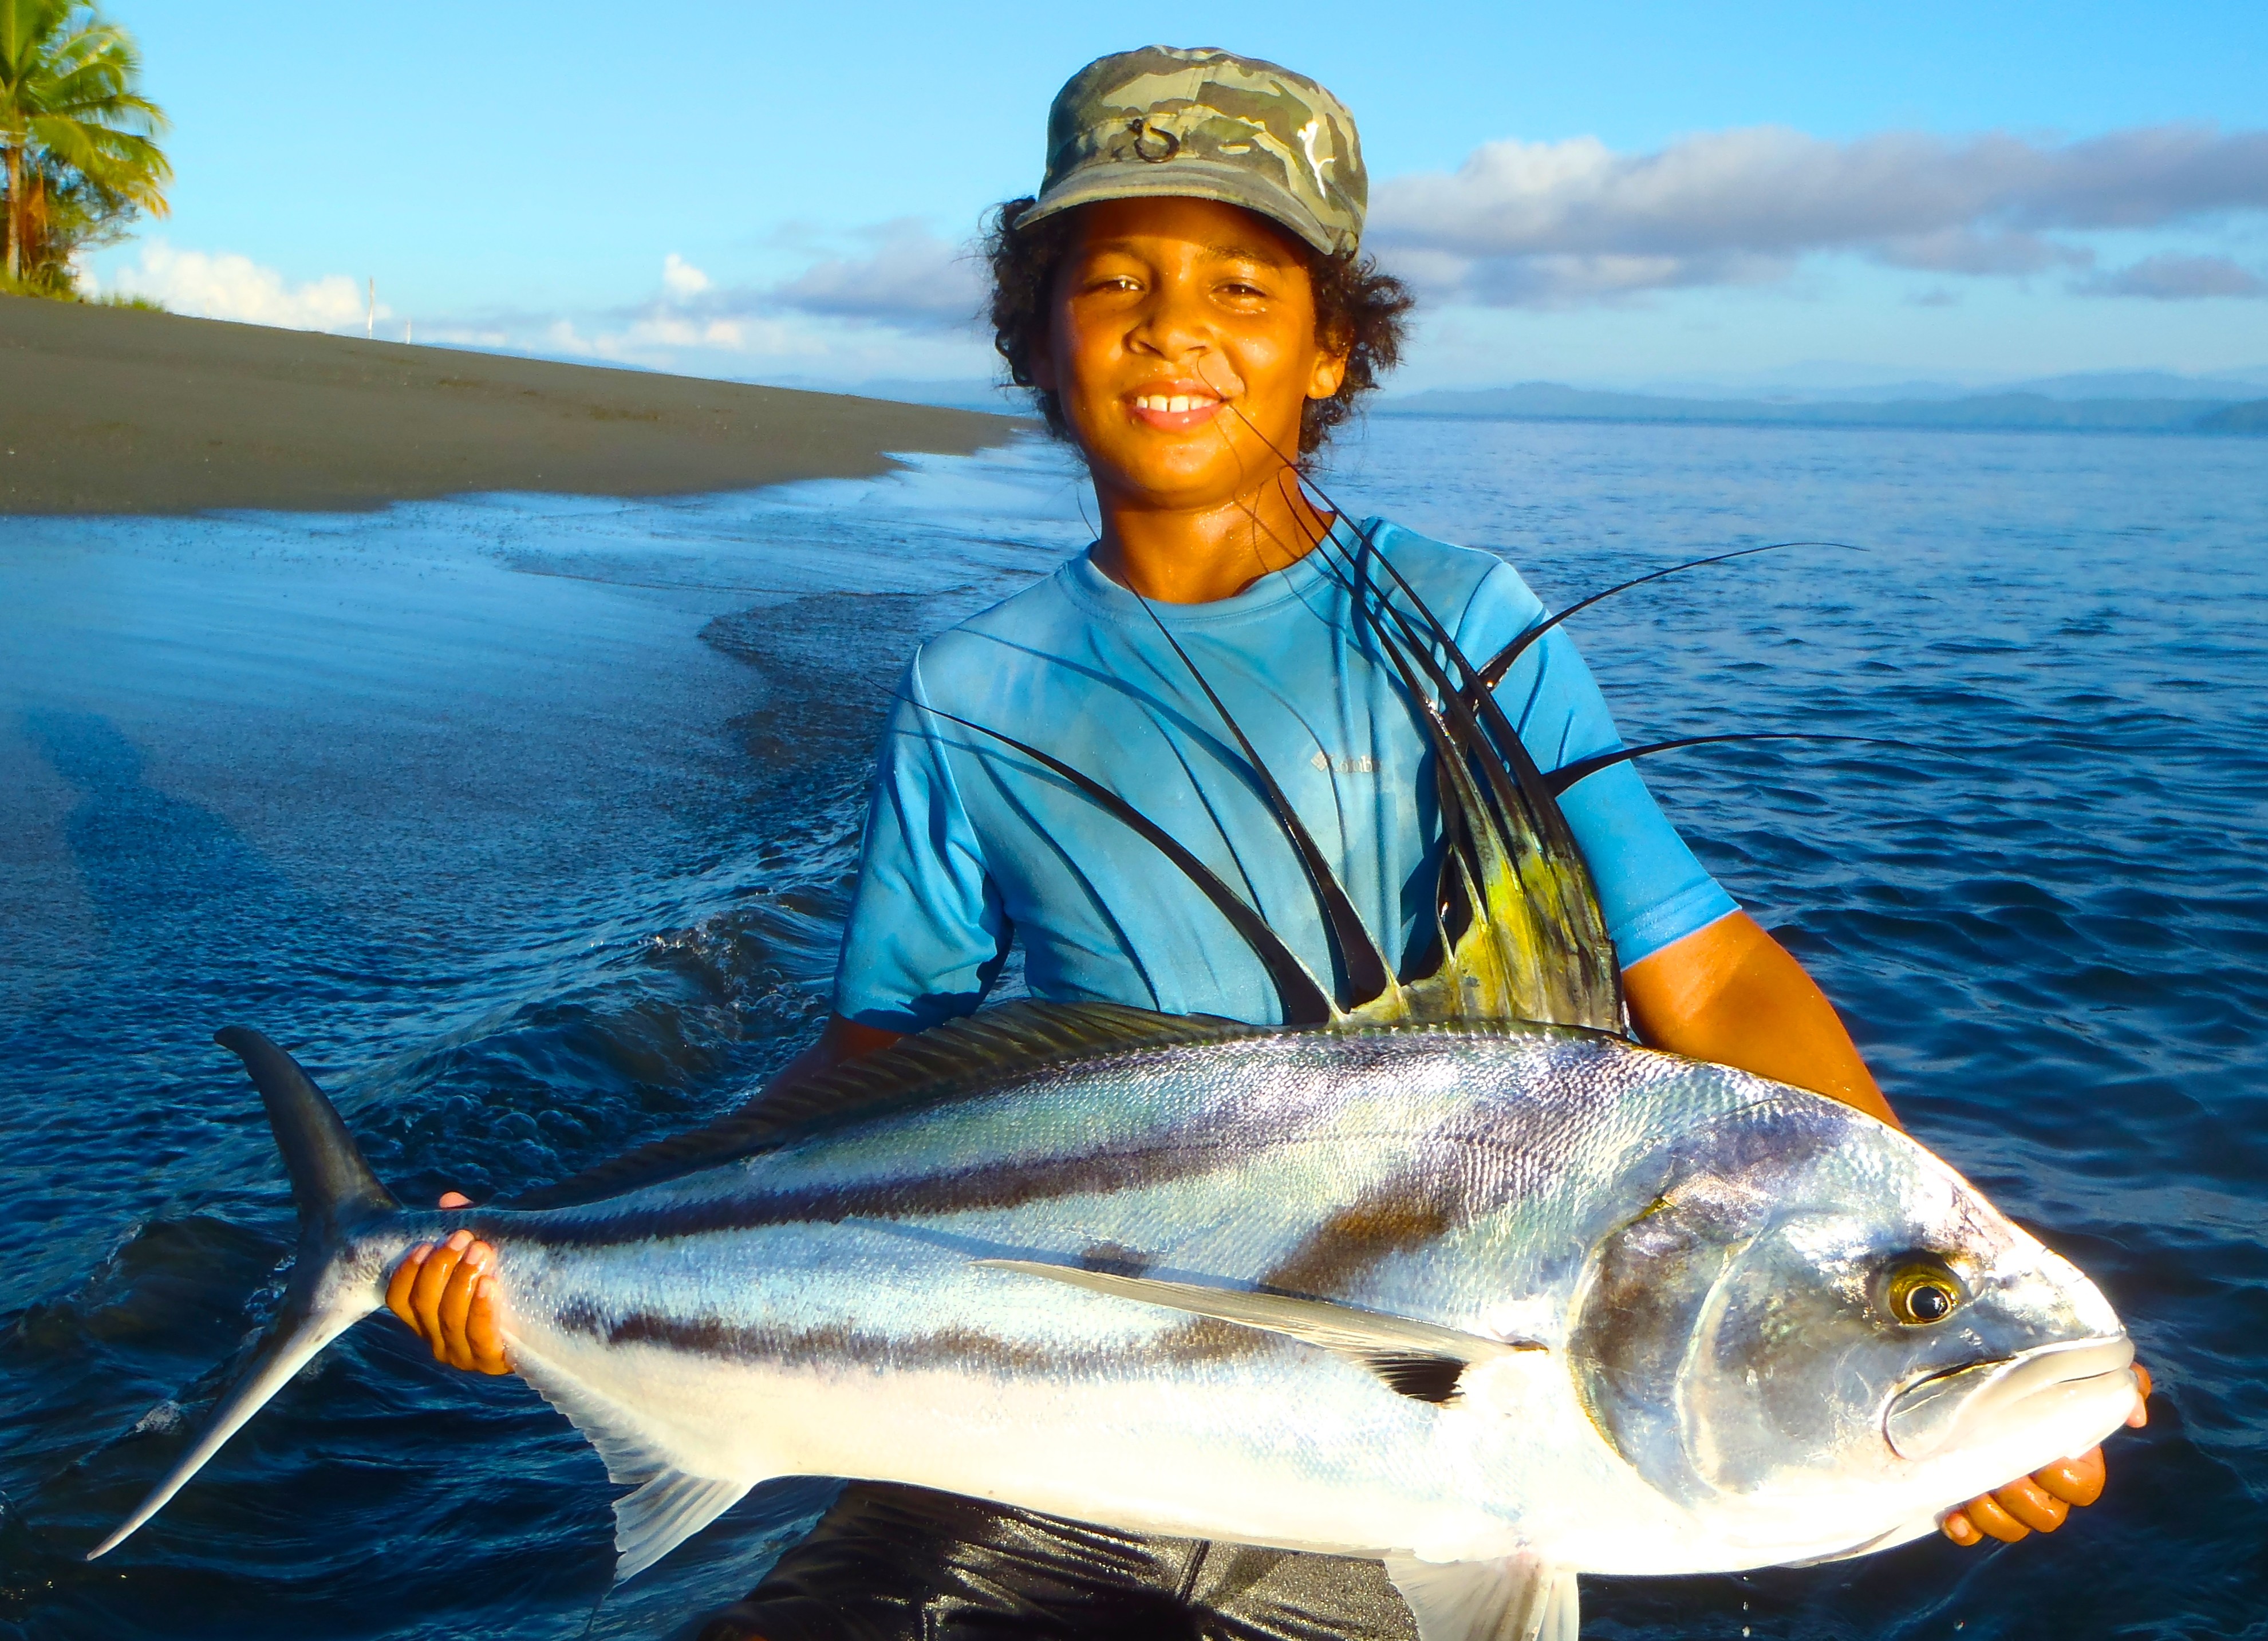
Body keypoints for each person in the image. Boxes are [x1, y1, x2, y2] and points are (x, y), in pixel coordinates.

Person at [388, 45, 2148, 1639]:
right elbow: (879, 1057)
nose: (1175, 326)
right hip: (1048, 1416)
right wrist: (578, 1238)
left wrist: (1896, 1295)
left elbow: (1708, 970)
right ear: (1037, 340)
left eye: (1242, 285)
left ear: (1330, 350)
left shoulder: (1458, 621)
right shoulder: (969, 679)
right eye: (1116, 282)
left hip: (1425, 1508)